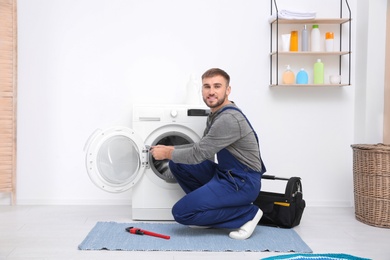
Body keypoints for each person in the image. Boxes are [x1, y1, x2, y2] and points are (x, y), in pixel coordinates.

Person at [150, 68, 266, 240]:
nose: (211, 92)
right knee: (178, 163)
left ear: (228, 90)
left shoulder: (228, 119)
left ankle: (248, 214)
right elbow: (203, 149)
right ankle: (211, 212)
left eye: (217, 86)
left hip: (242, 182)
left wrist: (167, 152)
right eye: (207, 86)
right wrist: (172, 153)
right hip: (226, 175)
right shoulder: (215, 114)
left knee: (181, 213)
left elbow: (198, 153)